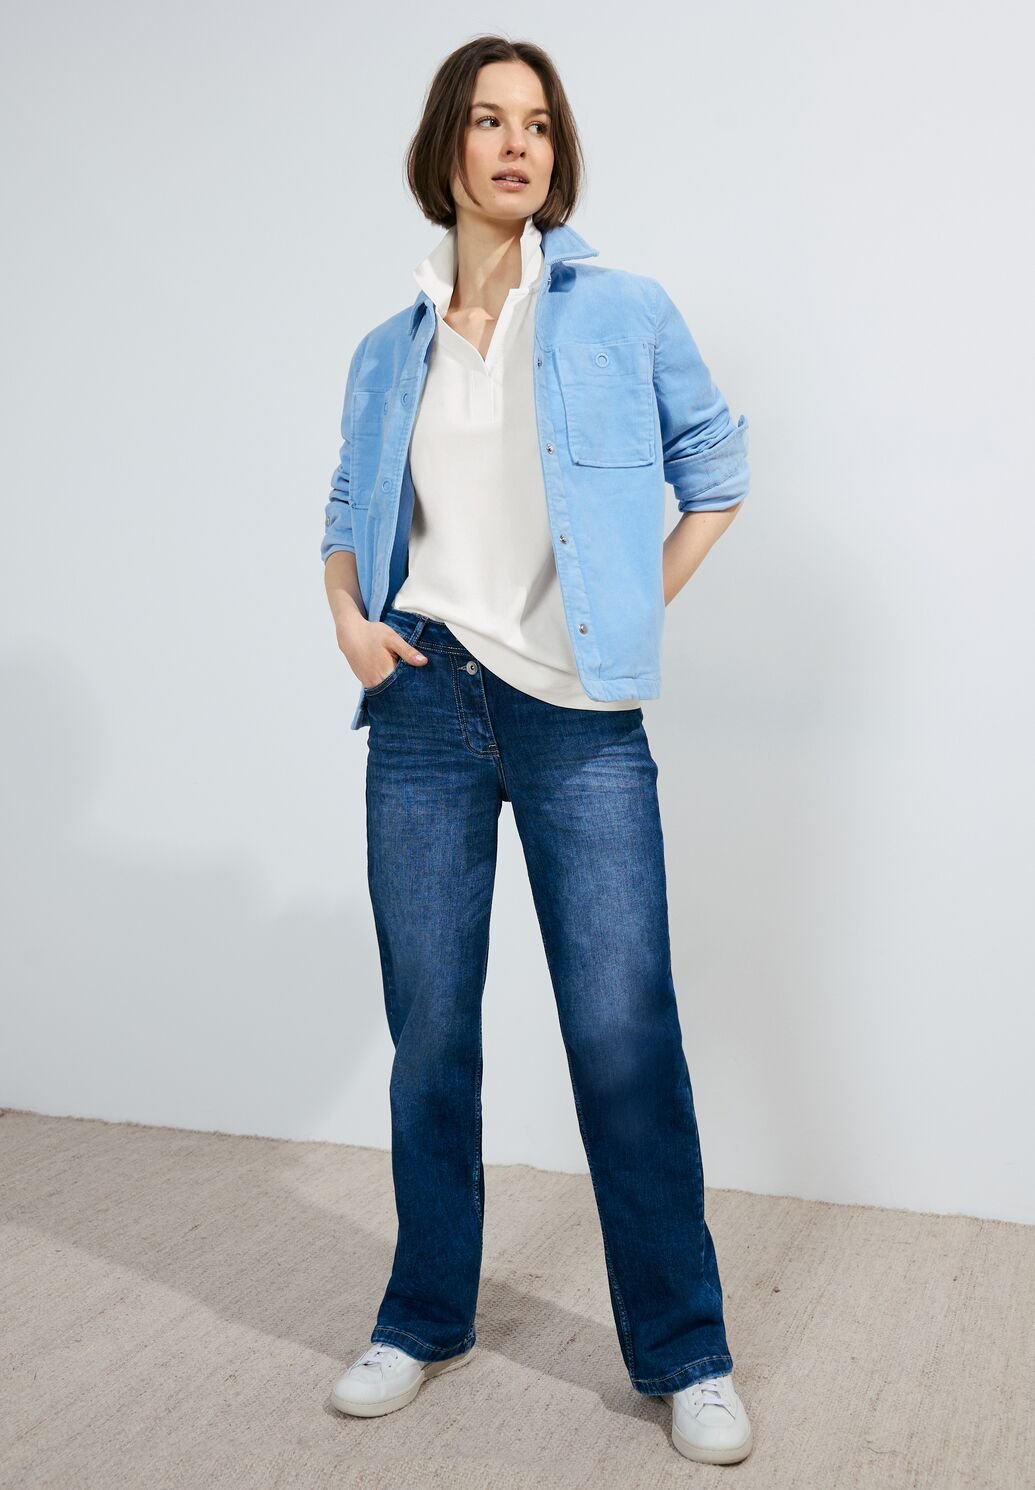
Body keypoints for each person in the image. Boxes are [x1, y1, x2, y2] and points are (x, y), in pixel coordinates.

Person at [321, 35, 753, 1466]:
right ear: (445, 145)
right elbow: (344, 507)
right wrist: (351, 618)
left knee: (624, 1035)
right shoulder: (388, 348)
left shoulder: (621, 310)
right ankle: (424, 1313)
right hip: (423, 711)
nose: (519, 145)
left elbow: (718, 470)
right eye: (491, 120)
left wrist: (626, 615)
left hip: (579, 719)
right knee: (431, 1033)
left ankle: (686, 1349)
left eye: (541, 125)